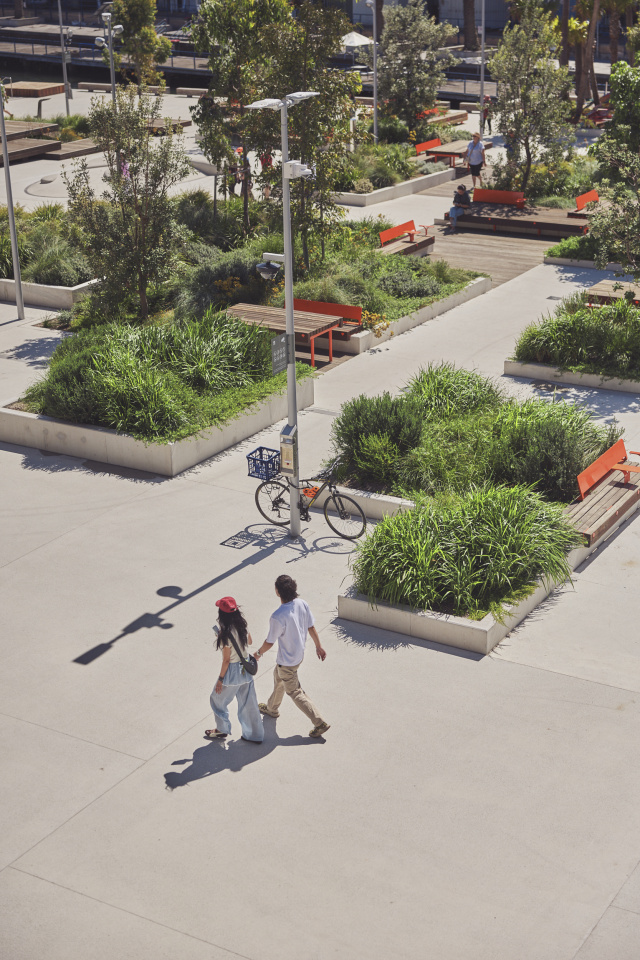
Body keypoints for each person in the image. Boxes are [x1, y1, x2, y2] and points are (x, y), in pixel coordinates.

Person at [254, 575, 330, 739]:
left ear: (277, 592)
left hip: (287, 661)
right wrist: (318, 646)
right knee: (279, 677)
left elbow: (269, 642)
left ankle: (319, 722)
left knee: (294, 691)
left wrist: (258, 653)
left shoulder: (278, 616)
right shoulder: (302, 604)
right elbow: (311, 626)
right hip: (298, 656)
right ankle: (272, 709)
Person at [205, 596, 264, 743]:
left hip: (232, 673)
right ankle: (255, 735)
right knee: (249, 703)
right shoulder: (243, 626)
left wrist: (220, 679)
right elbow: (249, 641)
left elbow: (226, 660)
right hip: (246, 672)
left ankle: (222, 729)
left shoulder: (225, 633)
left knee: (216, 700)